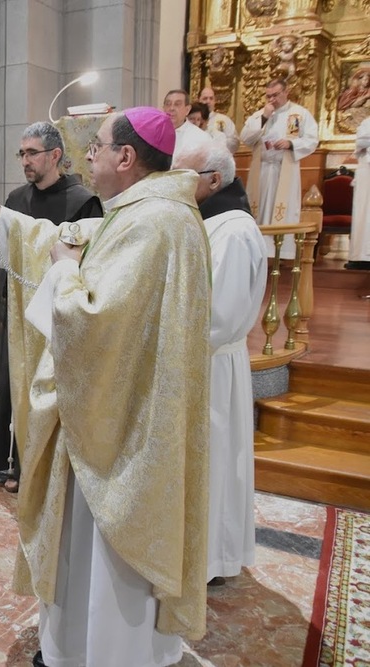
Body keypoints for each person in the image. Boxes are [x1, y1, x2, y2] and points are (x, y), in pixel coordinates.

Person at [0, 107, 210, 667]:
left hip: (120, 433)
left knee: (104, 559)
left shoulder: (155, 223)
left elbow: (93, 321)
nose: (89, 156)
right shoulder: (151, 212)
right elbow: (73, 236)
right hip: (128, 413)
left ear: (126, 158)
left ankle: (97, 653)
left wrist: (61, 270)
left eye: (97, 146)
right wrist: (3, 217)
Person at [0, 121, 102, 493]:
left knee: (46, 392)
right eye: (21, 153)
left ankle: (44, 466)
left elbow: (82, 258)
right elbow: (7, 252)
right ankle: (13, 463)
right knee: (13, 385)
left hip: (56, 314)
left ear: (55, 156)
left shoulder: (82, 200)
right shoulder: (16, 199)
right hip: (19, 307)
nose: (25, 160)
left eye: (31, 153)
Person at [173, 139, 267, 586]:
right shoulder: (205, 220)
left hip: (211, 365)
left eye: (183, 174)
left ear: (213, 180)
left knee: (214, 463)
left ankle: (212, 559)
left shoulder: (232, 230)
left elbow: (219, 316)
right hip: (197, 360)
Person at [240, 78, 319, 260]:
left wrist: (291, 143)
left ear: (286, 92)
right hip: (262, 171)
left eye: (275, 95)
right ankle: (259, 251)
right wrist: (264, 118)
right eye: (268, 96)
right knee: (259, 209)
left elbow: (312, 139)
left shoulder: (299, 114)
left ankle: (281, 252)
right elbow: (245, 138)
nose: (272, 100)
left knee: (282, 208)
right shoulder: (261, 114)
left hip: (285, 171)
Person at [349, 116, 370, 269]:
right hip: (366, 172)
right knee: (364, 213)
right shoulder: (367, 122)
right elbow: (361, 141)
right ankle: (360, 256)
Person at [163, 89, 210, 153]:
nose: (171, 108)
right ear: (163, 108)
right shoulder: (155, 133)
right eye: (168, 104)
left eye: (177, 104)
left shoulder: (201, 137)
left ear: (187, 110)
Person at [199, 87, 240, 153]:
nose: (208, 101)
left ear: (215, 101)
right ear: (199, 100)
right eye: (205, 98)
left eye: (211, 98)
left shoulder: (224, 120)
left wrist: (216, 144)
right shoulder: (193, 120)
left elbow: (234, 142)